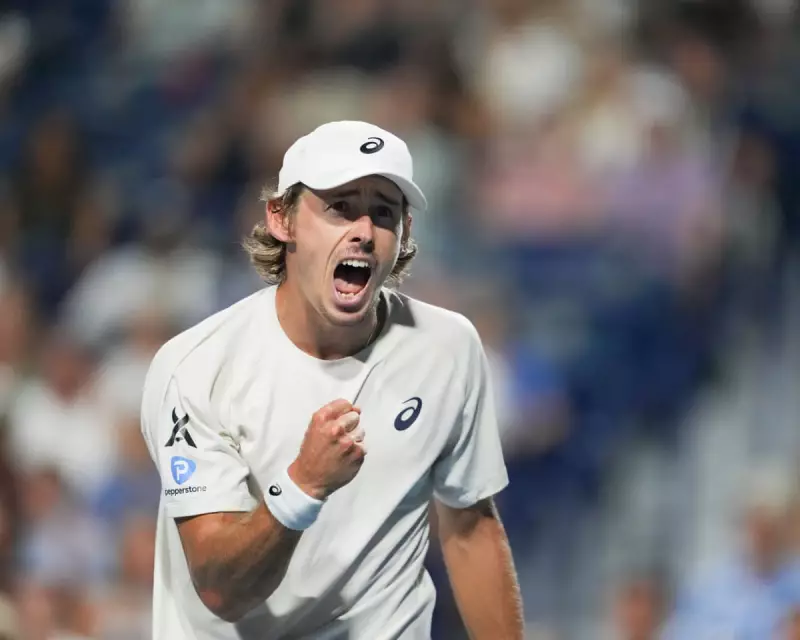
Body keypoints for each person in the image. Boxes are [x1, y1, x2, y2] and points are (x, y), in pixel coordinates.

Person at [140, 120, 524, 639]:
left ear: (404, 234)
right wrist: (303, 485)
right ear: (281, 219)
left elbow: (470, 527)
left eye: (384, 213)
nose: (365, 231)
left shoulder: (449, 348)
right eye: (340, 207)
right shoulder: (196, 368)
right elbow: (221, 589)